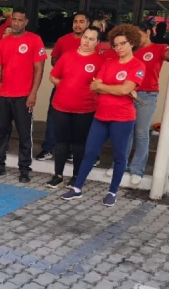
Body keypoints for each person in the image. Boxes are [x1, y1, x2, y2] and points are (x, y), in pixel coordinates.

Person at [61, 24, 146, 207]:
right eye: (115, 45)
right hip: (101, 116)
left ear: (131, 43)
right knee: (89, 153)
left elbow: (125, 88)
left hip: (122, 118)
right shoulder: (109, 63)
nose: (119, 48)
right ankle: (77, 188)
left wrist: (106, 88)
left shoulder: (138, 65)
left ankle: (112, 191)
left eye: (122, 43)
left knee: (119, 156)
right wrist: (116, 89)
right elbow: (95, 85)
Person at [0, 7, 47, 183]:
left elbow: (39, 69)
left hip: (23, 97)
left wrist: (33, 93)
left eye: (20, 20)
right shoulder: (4, 42)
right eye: (14, 19)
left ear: (26, 22)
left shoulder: (34, 40)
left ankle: (24, 169)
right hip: (4, 95)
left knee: (24, 134)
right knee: (0, 132)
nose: (16, 23)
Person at [45, 27, 105, 189]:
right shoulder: (67, 56)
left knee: (79, 144)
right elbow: (53, 76)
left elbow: (101, 85)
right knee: (61, 142)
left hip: (85, 109)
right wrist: (65, 86)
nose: (86, 41)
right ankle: (58, 175)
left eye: (91, 39)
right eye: (85, 37)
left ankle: (76, 176)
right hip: (61, 107)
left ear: (97, 43)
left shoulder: (100, 61)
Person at [118, 21, 169, 185]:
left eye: (138, 35)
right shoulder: (130, 51)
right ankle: (120, 166)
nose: (135, 39)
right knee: (125, 132)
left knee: (141, 133)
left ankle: (137, 170)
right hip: (127, 93)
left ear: (148, 32)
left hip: (147, 95)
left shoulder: (159, 48)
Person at [37, 11, 93, 161]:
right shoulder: (63, 40)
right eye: (75, 21)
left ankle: (72, 151)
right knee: (53, 117)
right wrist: (65, 67)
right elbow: (54, 59)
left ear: (88, 24)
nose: (77, 24)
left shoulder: (93, 43)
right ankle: (48, 148)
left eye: (81, 22)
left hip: (83, 89)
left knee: (77, 121)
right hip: (61, 86)